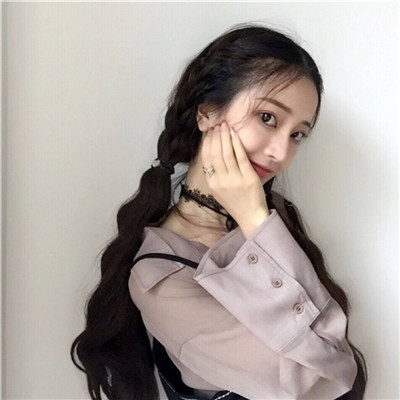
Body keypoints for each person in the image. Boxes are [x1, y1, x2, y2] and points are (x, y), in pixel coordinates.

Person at [70, 23, 368, 400]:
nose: (281, 152)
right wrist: (256, 222)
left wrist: (257, 221)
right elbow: (325, 383)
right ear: (208, 112)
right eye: (268, 117)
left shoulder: (273, 215)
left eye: (297, 134)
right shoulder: (160, 278)